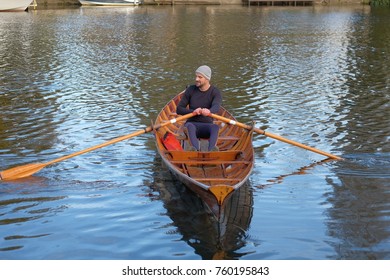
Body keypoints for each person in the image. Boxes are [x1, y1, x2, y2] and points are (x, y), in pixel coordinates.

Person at [176, 65, 222, 151]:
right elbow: (179, 109)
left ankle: (212, 151)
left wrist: (209, 111)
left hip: (207, 126)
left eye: (200, 77)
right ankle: (195, 150)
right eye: (196, 76)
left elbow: (216, 107)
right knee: (189, 126)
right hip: (192, 124)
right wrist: (193, 112)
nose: (196, 79)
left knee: (215, 127)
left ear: (207, 78)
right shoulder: (190, 90)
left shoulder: (215, 92)